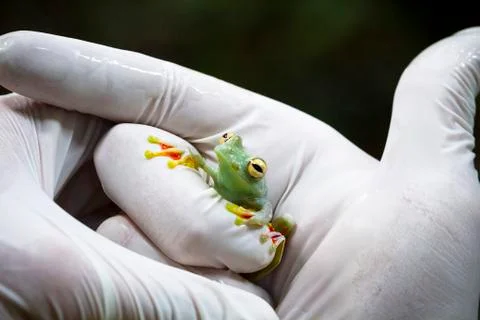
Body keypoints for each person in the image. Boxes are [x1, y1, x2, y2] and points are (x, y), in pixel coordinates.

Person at [0, 27, 479, 320]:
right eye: (226, 150)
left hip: (257, 239)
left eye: (251, 163)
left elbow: (273, 220)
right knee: (137, 194)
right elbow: (200, 172)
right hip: (202, 235)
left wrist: (267, 233)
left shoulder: (268, 193)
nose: (233, 157)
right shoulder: (217, 166)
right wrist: (189, 165)